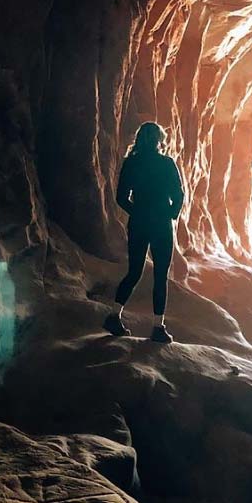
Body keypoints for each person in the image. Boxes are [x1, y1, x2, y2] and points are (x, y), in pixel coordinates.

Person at [103, 122, 183, 343]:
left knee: (134, 271)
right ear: (160, 140)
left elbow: (121, 197)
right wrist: (170, 213)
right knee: (160, 275)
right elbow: (178, 195)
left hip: (138, 223)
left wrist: (136, 212)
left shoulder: (132, 163)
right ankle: (158, 327)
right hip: (160, 225)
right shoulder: (166, 163)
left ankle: (114, 316)